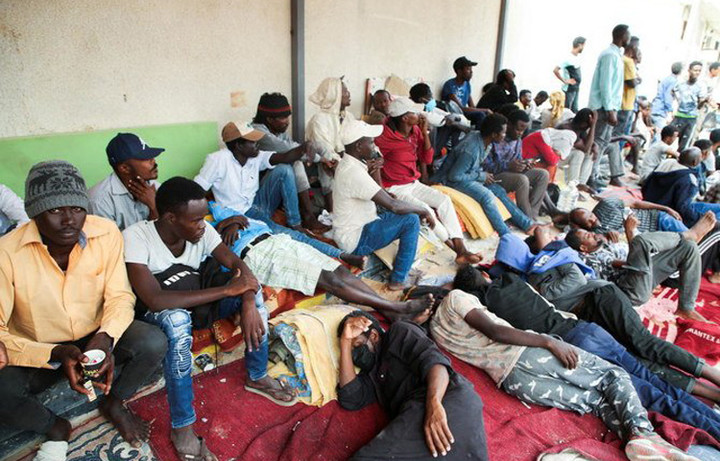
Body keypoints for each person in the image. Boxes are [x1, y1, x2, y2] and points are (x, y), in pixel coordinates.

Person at [0, 161, 166, 460]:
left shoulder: (106, 233)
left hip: (95, 332)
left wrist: (106, 338)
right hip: (41, 346)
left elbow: (119, 296)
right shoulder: (7, 253)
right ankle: (55, 427)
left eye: (77, 209)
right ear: (34, 213)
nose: (69, 220)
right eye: (54, 210)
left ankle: (114, 401)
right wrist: (55, 353)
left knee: (153, 341)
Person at [124, 177, 295, 460]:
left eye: (203, 218)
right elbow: (154, 299)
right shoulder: (136, 237)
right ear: (170, 218)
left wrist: (247, 301)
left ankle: (257, 375)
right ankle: (182, 426)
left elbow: (237, 264)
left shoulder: (201, 231)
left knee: (255, 295)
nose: (203, 225)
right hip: (161, 312)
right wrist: (228, 290)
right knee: (178, 322)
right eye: (195, 220)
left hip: (199, 300)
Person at [430, 288, 697, 460]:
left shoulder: (435, 331)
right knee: (613, 375)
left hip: (513, 381)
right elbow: (496, 331)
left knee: (596, 403)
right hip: (528, 356)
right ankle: (644, 433)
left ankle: (639, 447)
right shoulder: (455, 297)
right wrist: (549, 342)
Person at [453, 266, 720, 437]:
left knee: (653, 396)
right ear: (485, 275)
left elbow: (494, 327)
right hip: (588, 330)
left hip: (574, 345)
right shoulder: (511, 279)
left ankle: (714, 430)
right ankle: (713, 420)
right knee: (657, 383)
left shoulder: (484, 305)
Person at [495, 228, 720, 401]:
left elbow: (576, 279)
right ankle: (710, 393)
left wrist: (544, 286)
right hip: (587, 317)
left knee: (643, 342)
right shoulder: (525, 281)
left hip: (602, 296)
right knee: (637, 361)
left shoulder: (554, 255)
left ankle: (713, 375)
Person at [208, 201, 432, 321]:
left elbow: (237, 215)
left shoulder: (212, 209)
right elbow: (214, 262)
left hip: (277, 240)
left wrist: (233, 221)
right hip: (256, 254)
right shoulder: (201, 237)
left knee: (339, 271)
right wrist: (220, 230)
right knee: (327, 279)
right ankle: (396, 307)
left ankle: (390, 313)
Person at [337, 311, 490, 460]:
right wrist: (345, 342)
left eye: (357, 345)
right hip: (419, 413)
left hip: (445, 398)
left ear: (374, 336)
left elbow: (436, 364)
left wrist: (434, 404)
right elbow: (351, 397)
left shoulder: (399, 332)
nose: (355, 355)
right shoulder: (371, 374)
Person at [376, 97, 481, 264]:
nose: (420, 114)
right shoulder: (383, 137)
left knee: (444, 200)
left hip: (413, 182)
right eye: (415, 112)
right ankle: (459, 251)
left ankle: (461, 248)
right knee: (426, 210)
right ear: (405, 118)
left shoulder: (415, 130)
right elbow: (372, 164)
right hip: (394, 187)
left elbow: (427, 158)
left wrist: (424, 132)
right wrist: (383, 192)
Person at [333, 119, 435, 291]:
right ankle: (398, 280)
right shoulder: (353, 172)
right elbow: (392, 205)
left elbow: (381, 192)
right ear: (359, 146)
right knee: (411, 220)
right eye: (371, 142)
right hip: (356, 239)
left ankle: (400, 273)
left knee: (403, 210)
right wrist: (423, 210)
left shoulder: (351, 163)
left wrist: (376, 166)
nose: (375, 146)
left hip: (359, 227)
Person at [565, 214, 707, 322]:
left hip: (639, 278)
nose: (592, 234)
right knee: (641, 242)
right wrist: (630, 232)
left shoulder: (602, 246)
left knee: (689, 247)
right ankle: (686, 234)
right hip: (628, 293)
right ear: (583, 248)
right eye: (588, 236)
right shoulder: (587, 259)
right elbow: (626, 262)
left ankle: (685, 308)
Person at [432, 113, 536, 236]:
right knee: (487, 196)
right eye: (503, 133)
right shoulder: (471, 150)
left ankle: (527, 224)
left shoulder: (484, 140)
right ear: (494, 134)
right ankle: (506, 234)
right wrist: (481, 176)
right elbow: (454, 176)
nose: (505, 135)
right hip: (449, 181)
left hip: (466, 176)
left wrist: (482, 175)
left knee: (498, 190)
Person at [252, 92, 329, 232]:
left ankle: (328, 209)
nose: (287, 121)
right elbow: (291, 151)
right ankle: (305, 216)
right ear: (269, 119)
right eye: (283, 118)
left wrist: (327, 158)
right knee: (292, 163)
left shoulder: (279, 131)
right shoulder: (258, 133)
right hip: (263, 191)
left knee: (321, 149)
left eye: (288, 116)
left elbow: (296, 147)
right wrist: (320, 158)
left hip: (281, 185)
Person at [89, 133, 164, 231]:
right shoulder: (100, 201)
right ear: (124, 168)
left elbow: (166, 234)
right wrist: (154, 208)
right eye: (145, 158)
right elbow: (108, 240)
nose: (153, 161)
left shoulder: (155, 187)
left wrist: (154, 206)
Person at [484, 109, 550, 219]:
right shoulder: (496, 138)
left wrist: (524, 164)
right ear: (509, 125)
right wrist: (508, 165)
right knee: (521, 180)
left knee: (543, 174)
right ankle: (527, 218)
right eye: (518, 129)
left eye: (523, 131)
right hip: (494, 176)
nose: (520, 133)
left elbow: (518, 160)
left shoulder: (517, 140)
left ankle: (533, 214)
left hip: (511, 173)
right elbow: (485, 166)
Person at [588, 24, 632, 188]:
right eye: (628, 35)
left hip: (609, 107)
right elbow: (605, 85)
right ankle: (590, 176)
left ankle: (594, 174)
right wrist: (609, 110)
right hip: (603, 107)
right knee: (597, 142)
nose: (629, 38)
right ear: (622, 36)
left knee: (603, 142)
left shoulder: (616, 55)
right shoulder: (609, 55)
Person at [305, 77, 355, 211]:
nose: (349, 94)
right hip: (320, 164)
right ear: (335, 95)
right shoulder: (319, 120)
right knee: (329, 158)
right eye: (345, 91)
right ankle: (332, 209)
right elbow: (325, 149)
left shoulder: (348, 117)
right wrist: (344, 161)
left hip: (344, 160)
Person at [643, 147, 720, 227]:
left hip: (650, 202)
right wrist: (700, 218)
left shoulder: (666, 163)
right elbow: (683, 208)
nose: (701, 160)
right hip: (667, 213)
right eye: (700, 158)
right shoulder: (688, 179)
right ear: (694, 162)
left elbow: (645, 185)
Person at [441, 56, 489, 126]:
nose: (471, 72)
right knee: (480, 115)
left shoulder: (467, 85)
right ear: (459, 71)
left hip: (464, 114)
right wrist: (486, 110)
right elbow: (461, 108)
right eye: (468, 69)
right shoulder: (450, 85)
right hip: (454, 114)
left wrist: (485, 111)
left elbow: (472, 106)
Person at [555, 108, 598, 185]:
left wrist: (595, 146)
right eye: (588, 125)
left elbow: (589, 143)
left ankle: (581, 183)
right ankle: (573, 184)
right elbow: (585, 148)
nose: (587, 128)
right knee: (578, 154)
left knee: (590, 153)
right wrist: (593, 125)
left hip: (563, 155)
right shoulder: (567, 128)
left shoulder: (577, 125)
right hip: (554, 158)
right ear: (583, 124)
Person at [672, 62, 709, 150]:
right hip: (678, 116)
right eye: (695, 70)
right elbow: (673, 94)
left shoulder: (701, 86)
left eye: (699, 71)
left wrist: (704, 101)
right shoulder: (680, 84)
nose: (697, 73)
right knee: (669, 138)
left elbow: (699, 106)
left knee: (684, 145)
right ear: (689, 70)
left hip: (691, 118)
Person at [615, 37, 641, 142]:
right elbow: (631, 83)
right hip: (625, 104)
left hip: (622, 102)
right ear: (633, 47)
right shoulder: (628, 61)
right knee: (620, 136)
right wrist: (637, 80)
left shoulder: (620, 59)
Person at [651, 62, 684, 141]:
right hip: (660, 110)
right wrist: (670, 110)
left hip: (656, 107)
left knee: (656, 134)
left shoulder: (666, 79)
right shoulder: (673, 81)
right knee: (659, 136)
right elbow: (668, 96)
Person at [554, 36, 586, 112]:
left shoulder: (576, 57)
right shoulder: (567, 58)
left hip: (576, 88)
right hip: (569, 89)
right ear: (579, 45)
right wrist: (565, 81)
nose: (584, 48)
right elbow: (555, 70)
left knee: (574, 109)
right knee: (567, 110)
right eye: (583, 45)